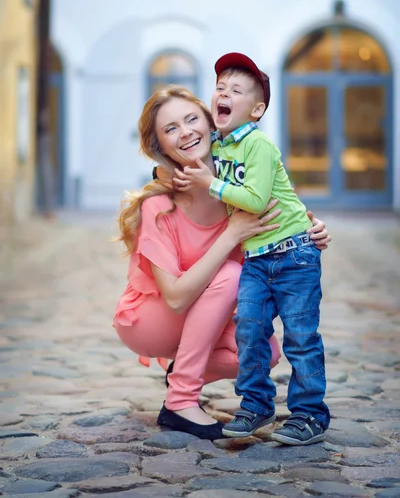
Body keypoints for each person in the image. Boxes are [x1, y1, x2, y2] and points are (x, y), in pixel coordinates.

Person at [114, 85, 331, 441]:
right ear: (161, 147)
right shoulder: (160, 206)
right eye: (170, 129)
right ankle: (180, 400)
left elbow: (284, 217)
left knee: (264, 350)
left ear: (210, 123)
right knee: (231, 274)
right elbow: (176, 297)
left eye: (191, 119)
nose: (185, 132)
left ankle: (182, 369)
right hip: (151, 318)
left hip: (202, 307)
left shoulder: (238, 187)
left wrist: (312, 230)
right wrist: (230, 235)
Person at [175, 53, 330, 445]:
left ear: (256, 109)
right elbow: (176, 160)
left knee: (300, 336)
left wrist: (211, 183)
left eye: (236, 90)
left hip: (294, 253)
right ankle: (256, 403)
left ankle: (311, 414)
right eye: (220, 88)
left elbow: (257, 200)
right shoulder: (216, 142)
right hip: (258, 258)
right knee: (250, 329)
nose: (223, 93)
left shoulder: (258, 144)